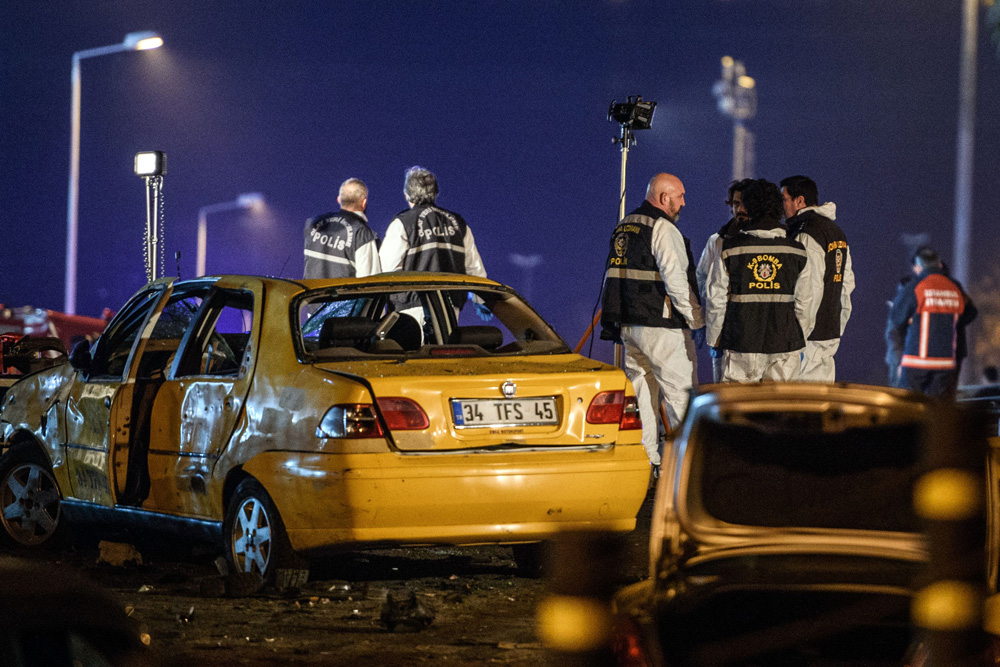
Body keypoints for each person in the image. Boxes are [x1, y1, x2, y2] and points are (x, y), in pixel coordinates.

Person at [600, 173, 703, 467]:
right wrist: (696, 319)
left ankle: (645, 464)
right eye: (679, 196)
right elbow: (676, 281)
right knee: (680, 398)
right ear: (663, 197)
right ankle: (686, 468)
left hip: (630, 326)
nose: (683, 203)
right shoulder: (662, 227)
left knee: (641, 397)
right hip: (662, 327)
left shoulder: (626, 224)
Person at [704, 178, 816, 382]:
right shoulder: (797, 251)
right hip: (784, 348)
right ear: (778, 208)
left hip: (740, 345)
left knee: (738, 411)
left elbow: (715, 300)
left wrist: (715, 340)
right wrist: (798, 337)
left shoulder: (730, 249)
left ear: (749, 207)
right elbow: (806, 303)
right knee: (779, 410)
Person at [379, 166, 490, 322]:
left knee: (416, 347)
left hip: (410, 308)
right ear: (436, 193)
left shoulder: (403, 223)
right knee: (442, 346)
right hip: (450, 306)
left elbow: (386, 268)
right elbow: (474, 267)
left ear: (407, 195)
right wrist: (481, 300)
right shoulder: (458, 223)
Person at [780, 175, 854, 382]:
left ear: (800, 201)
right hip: (829, 332)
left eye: (784, 199)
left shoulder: (807, 233)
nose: (781, 206)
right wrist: (838, 323)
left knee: (799, 406)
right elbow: (846, 285)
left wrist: (797, 337)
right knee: (819, 405)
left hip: (808, 338)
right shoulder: (836, 232)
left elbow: (808, 290)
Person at [886, 246, 972, 396]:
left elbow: (897, 318)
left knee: (910, 407)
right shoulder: (955, 287)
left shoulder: (916, 287)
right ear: (939, 265)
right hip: (945, 362)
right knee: (937, 410)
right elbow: (969, 313)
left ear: (918, 267)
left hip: (917, 361)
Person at [695, 178, 752, 382]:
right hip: (724, 334)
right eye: (736, 204)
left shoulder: (769, 240)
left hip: (757, 333)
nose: (740, 209)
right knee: (725, 398)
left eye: (744, 203)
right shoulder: (717, 241)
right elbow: (702, 279)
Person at [303, 178, 382, 279]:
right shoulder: (362, 234)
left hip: (312, 294)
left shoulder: (314, 224)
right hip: (343, 295)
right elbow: (369, 283)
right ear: (364, 203)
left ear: (339, 199)